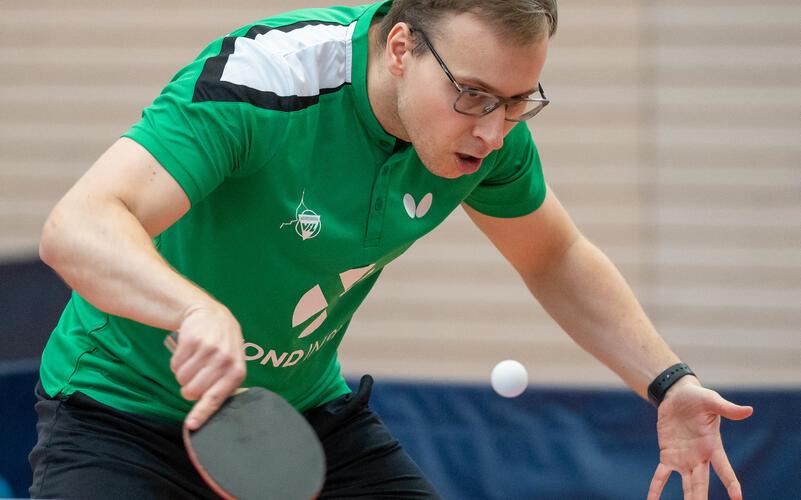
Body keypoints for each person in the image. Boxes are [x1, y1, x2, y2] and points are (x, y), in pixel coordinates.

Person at [30, 0, 753, 498]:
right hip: (119, 409)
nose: (493, 131)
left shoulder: (488, 136)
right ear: (401, 47)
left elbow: (552, 256)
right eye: (473, 95)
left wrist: (667, 381)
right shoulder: (267, 83)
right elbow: (79, 224)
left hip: (294, 415)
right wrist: (190, 311)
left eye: (518, 100)